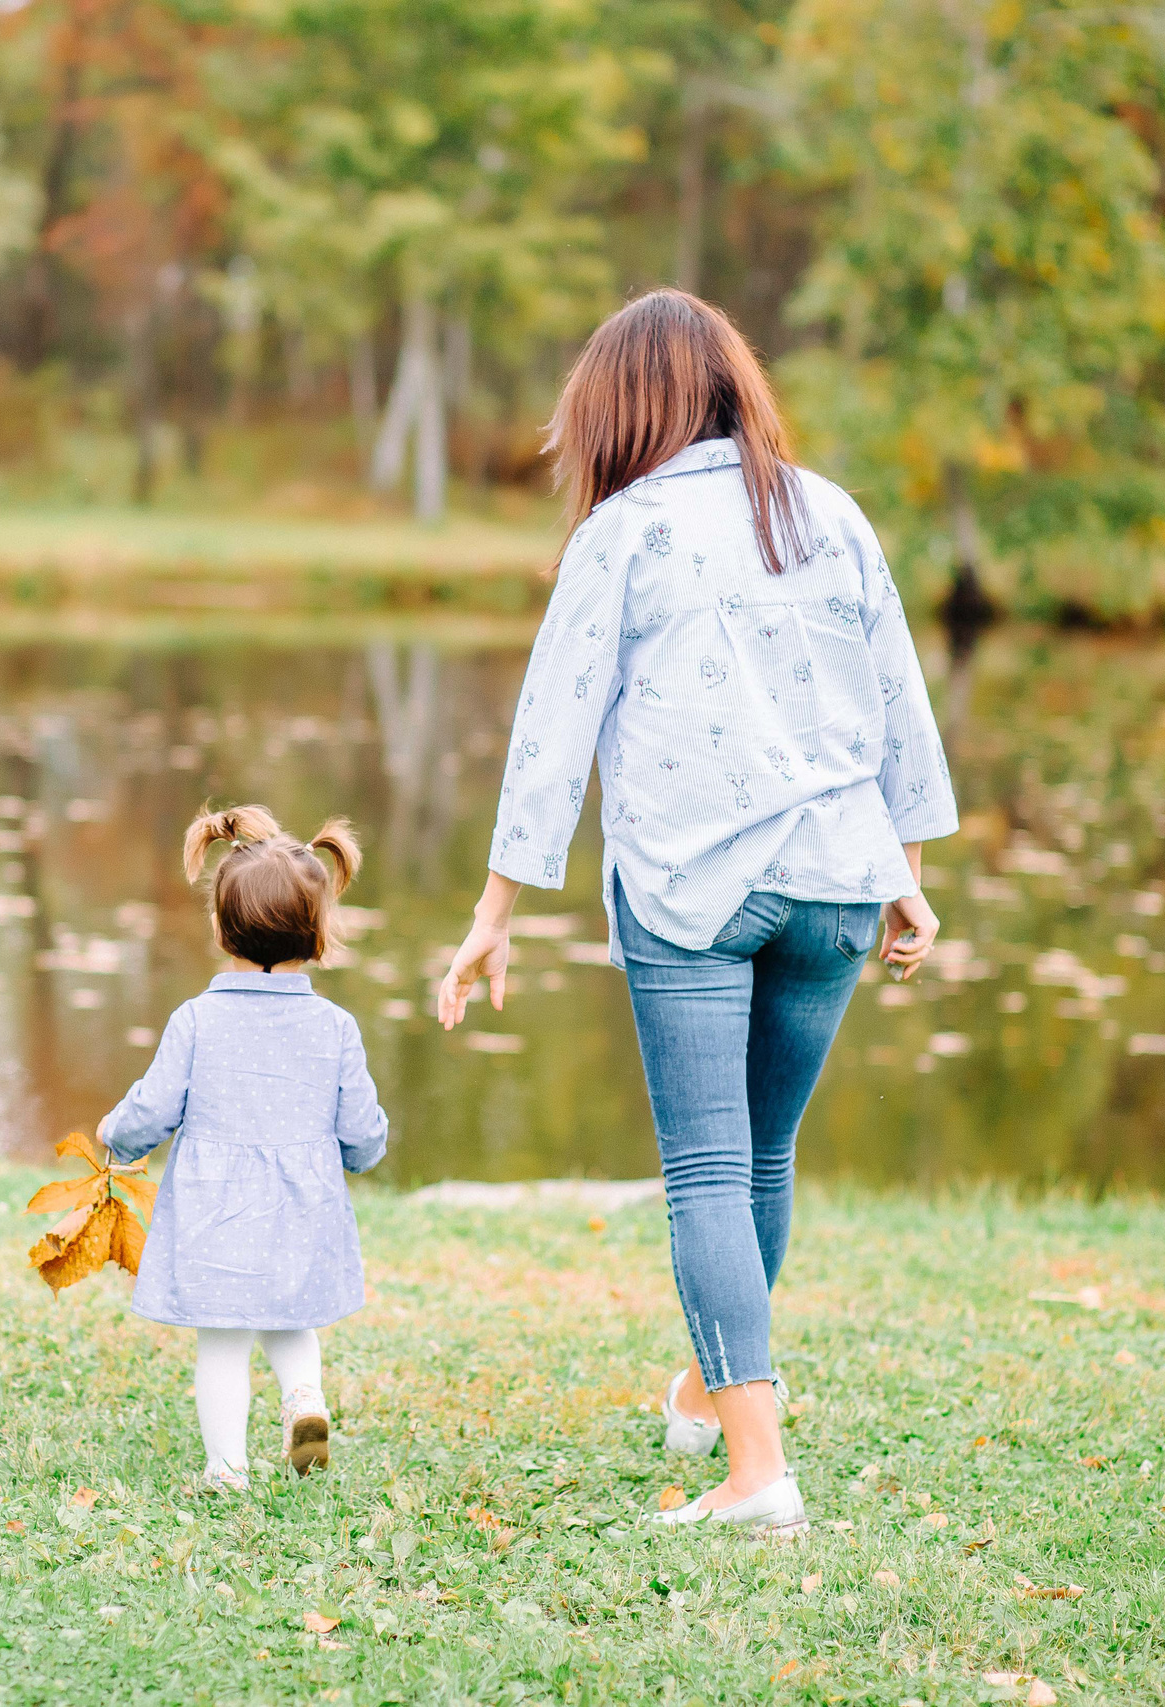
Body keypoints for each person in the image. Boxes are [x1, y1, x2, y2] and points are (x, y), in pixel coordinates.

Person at [436, 289, 957, 1538]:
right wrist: (909, 870)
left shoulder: (627, 530)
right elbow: (898, 701)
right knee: (760, 1158)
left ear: (621, 406)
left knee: (711, 1170)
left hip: (695, 887)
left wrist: (496, 907)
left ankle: (756, 1473)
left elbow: (552, 728)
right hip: (837, 879)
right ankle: (705, 1394)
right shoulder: (828, 510)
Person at [99, 807, 389, 1490]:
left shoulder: (197, 1019)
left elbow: (154, 1106)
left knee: (223, 1342)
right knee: (291, 1319)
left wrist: (116, 1132)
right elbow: (363, 1131)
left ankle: (227, 1469)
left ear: (221, 927)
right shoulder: (334, 1025)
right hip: (304, 1210)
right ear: (318, 932)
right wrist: (361, 1154)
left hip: (215, 1213)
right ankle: (305, 1400)